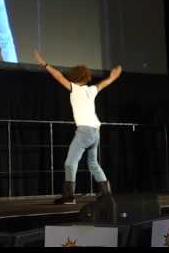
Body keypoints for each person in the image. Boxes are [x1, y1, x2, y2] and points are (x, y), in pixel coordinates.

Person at [33, 51, 122, 204]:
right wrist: (113, 77)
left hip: (85, 131)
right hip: (95, 132)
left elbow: (58, 76)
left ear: (74, 76)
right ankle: (107, 193)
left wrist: (44, 64)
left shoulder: (74, 88)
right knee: (93, 163)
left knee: (70, 163)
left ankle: (69, 196)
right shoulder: (91, 90)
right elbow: (103, 84)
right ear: (85, 77)